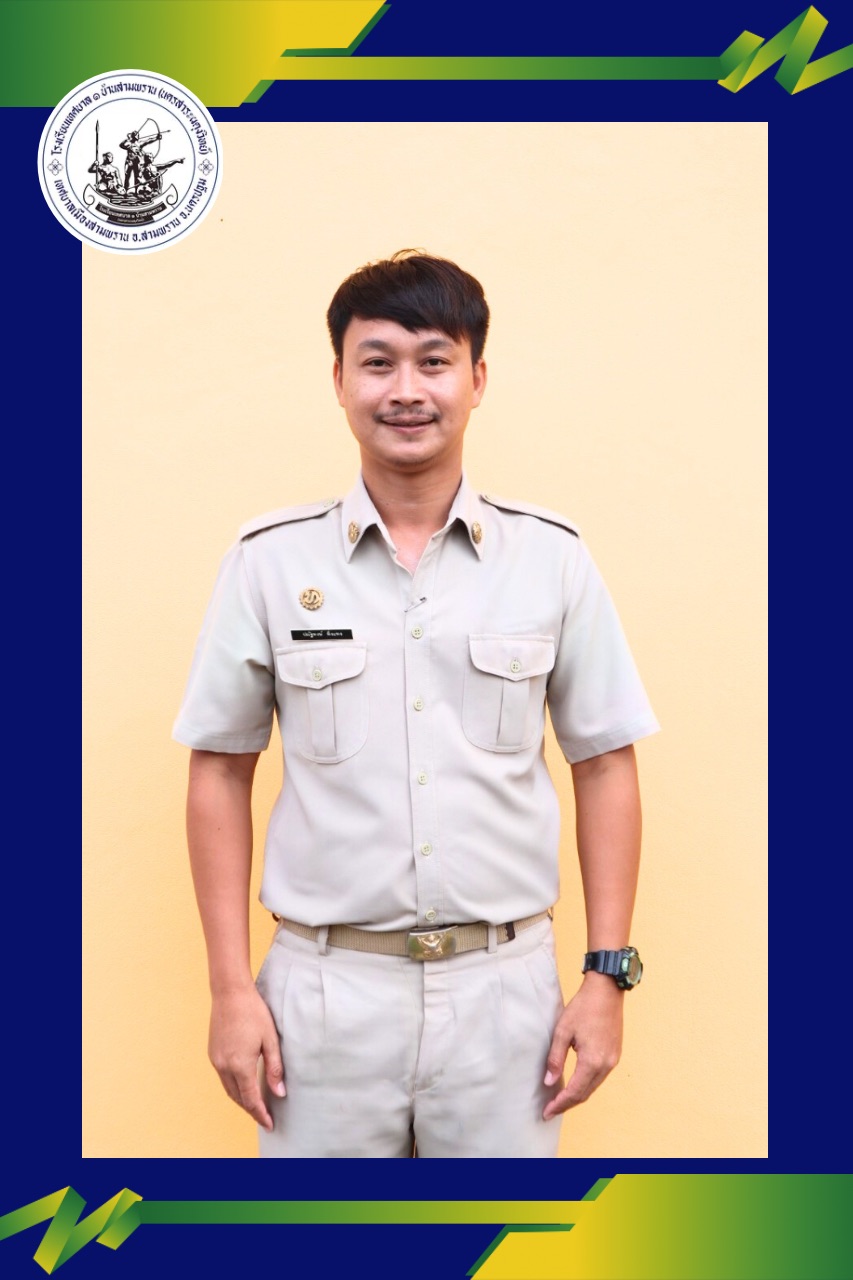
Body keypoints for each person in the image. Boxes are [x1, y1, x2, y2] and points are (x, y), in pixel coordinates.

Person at [172, 250, 660, 1158]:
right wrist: (230, 989)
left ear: (476, 379)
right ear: (339, 380)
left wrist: (605, 976)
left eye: (434, 361)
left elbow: (603, 763)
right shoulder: (269, 562)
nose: (406, 389)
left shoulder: (551, 558)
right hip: (322, 1000)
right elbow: (219, 770)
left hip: (505, 999)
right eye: (378, 362)